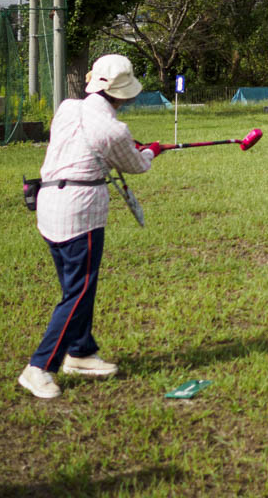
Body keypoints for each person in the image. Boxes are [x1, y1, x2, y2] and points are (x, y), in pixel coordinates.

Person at [18, 54, 164, 399]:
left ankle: (80, 352)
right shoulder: (114, 129)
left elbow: (86, 146)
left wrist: (131, 148)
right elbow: (135, 165)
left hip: (49, 205)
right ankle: (39, 367)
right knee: (78, 292)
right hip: (79, 215)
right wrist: (151, 152)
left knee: (76, 286)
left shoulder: (68, 107)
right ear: (124, 94)